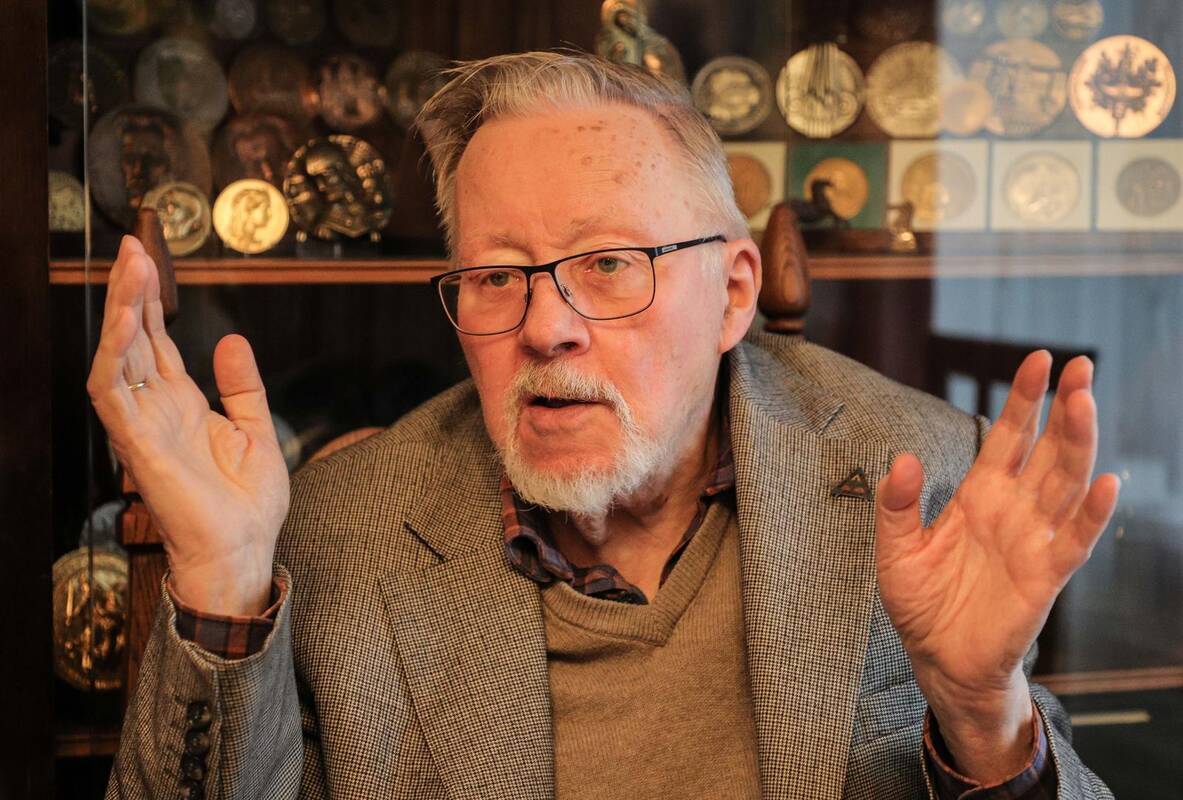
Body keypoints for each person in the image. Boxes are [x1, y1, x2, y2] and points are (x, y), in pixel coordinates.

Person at [92, 51, 1118, 799]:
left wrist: (982, 719)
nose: (545, 327)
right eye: (497, 276)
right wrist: (223, 579)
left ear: (732, 293)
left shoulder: (914, 472)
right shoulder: (337, 535)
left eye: (609, 264)